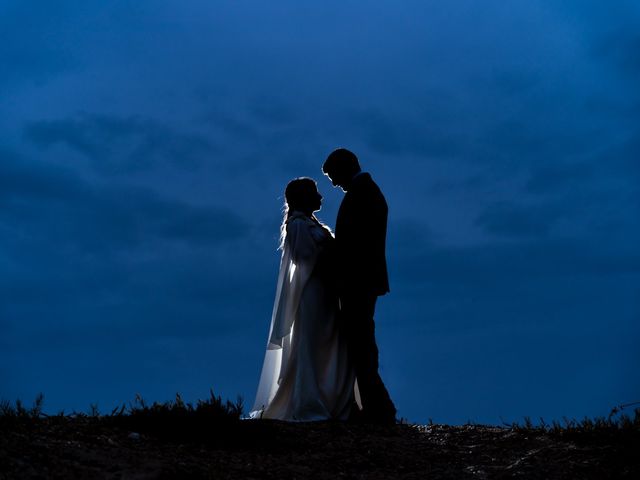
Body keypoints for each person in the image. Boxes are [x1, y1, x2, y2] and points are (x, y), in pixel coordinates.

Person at [249, 177, 355, 421]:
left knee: (327, 343)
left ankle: (331, 397)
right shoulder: (298, 225)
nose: (321, 197)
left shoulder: (308, 223)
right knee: (312, 343)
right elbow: (304, 256)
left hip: (325, 291)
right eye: (315, 192)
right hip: (313, 292)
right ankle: (310, 400)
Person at [322, 148, 397, 424]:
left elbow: (355, 245)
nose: (332, 183)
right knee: (361, 341)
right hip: (363, 280)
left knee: (361, 342)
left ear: (344, 169)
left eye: (332, 176)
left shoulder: (363, 194)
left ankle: (379, 407)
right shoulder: (366, 192)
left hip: (359, 282)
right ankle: (375, 406)